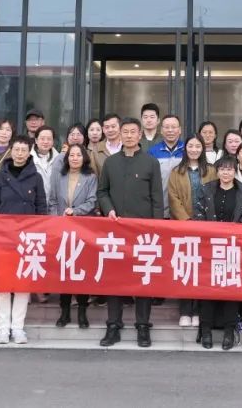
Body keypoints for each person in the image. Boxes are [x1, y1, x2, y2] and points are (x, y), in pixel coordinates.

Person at [97, 117, 163, 348]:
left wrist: (156, 229)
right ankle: (113, 325)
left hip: (143, 233)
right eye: (125, 131)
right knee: (115, 279)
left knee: (143, 279)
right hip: (115, 230)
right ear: (119, 134)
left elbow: (157, 198)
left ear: (139, 135)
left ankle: (142, 326)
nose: (128, 135)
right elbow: (102, 192)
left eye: (133, 132)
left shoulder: (150, 162)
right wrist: (109, 210)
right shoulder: (111, 162)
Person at [0, 135, 47, 344]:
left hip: (27, 238)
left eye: (23, 150)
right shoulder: (1, 176)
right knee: (3, 285)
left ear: (29, 152)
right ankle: (3, 328)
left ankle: (18, 328)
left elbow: (41, 208)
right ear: (10, 151)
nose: (20, 154)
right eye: (16, 150)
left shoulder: (36, 177)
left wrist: (39, 233)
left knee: (22, 285)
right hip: (4, 237)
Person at [193, 155, 242, 350]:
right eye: (222, 169)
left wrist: (232, 234)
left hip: (233, 248)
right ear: (217, 171)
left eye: (229, 169)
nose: (226, 173)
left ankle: (229, 331)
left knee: (231, 289)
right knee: (208, 289)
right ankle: (205, 330)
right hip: (209, 247)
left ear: (235, 171)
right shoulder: (206, 189)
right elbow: (198, 214)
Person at [167, 135, 215, 327]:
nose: (194, 149)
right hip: (184, 227)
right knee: (185, 268)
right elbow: (173, 198)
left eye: (197, 146)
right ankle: (185, 310)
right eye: (190, 146)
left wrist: (204, 221)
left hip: (206, 227)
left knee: (203, 269)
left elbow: (214, 195)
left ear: (202, 149)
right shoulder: (176, 171)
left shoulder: (211, 170)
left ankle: (198, 311)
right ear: (185, 148)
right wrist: (186, 220)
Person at [48, 143, 98, 329]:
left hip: (83, 229)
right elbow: (53, 201)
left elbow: (92, 201)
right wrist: (57, 219)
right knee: (64, 271)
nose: (75, 158)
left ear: (84, 158)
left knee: (81, 272)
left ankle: (82, 312)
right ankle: (65, 312)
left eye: (78, 155)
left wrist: (75, 211)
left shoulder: (90, 177)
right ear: (66, 158)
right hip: (62, 230)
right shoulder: (59, 176)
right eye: (71, 155)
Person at [149, 113, 186, 215]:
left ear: (180, 130)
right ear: (161, 130)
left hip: (183, 210)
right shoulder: (152, 152)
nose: (170, 130)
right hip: (160, 208)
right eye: (167, 127)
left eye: (173, 127)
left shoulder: (188, 150)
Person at [30, 125, 60, 203]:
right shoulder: (28, 159)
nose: (46, 142)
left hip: (53, 204)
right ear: (36, 140)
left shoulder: (59, 160)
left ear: (53, 141)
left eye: (49, 139)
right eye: (42, 138)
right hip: (33, 203)